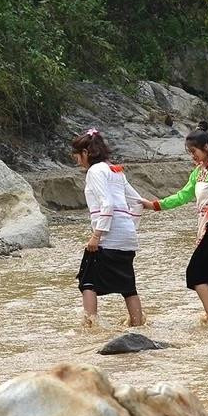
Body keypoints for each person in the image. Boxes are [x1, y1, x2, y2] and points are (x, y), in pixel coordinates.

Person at [145, 127, 208, 323]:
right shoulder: (198, 173)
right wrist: (155, 205)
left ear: (206, 147)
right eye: (190, 152)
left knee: (197, 273)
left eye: (194, 151)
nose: (192, 156)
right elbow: (183, 196)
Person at [71, 129, 148, 327]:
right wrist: (132, 226)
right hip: (127, 237)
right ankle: (138, 325)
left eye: (78, 155)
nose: (77, 160)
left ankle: (90, 327)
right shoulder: (116, 170)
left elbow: (107, 205)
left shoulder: (95, 172)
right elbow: (138, 202)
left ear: (86, 153)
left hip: (108, 235)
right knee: (128, 285)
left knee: (87, 282)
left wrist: (97, 235)